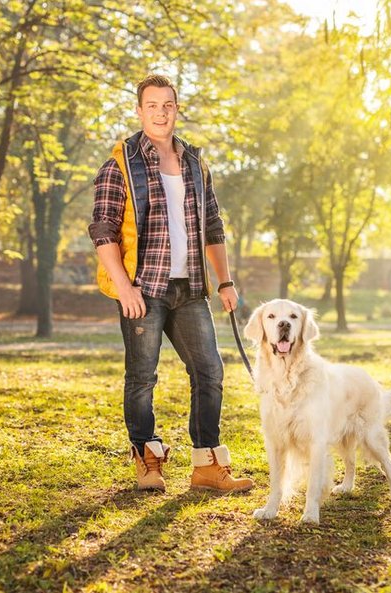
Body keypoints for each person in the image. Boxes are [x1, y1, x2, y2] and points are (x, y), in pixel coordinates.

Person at [88, 74, 254, 493]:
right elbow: (103, 231)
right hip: (144, 289)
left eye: (168, 105)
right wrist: (125, 289)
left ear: (176, 109)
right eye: (152, 105)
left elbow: (213, 225)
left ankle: (207, 467)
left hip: (190, 288)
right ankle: (148, 462)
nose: (160, 112)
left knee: (210, 372)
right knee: (142, 377)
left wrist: (226, 282)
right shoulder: (120, 163)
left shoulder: (195, 163)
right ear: (139, 110)